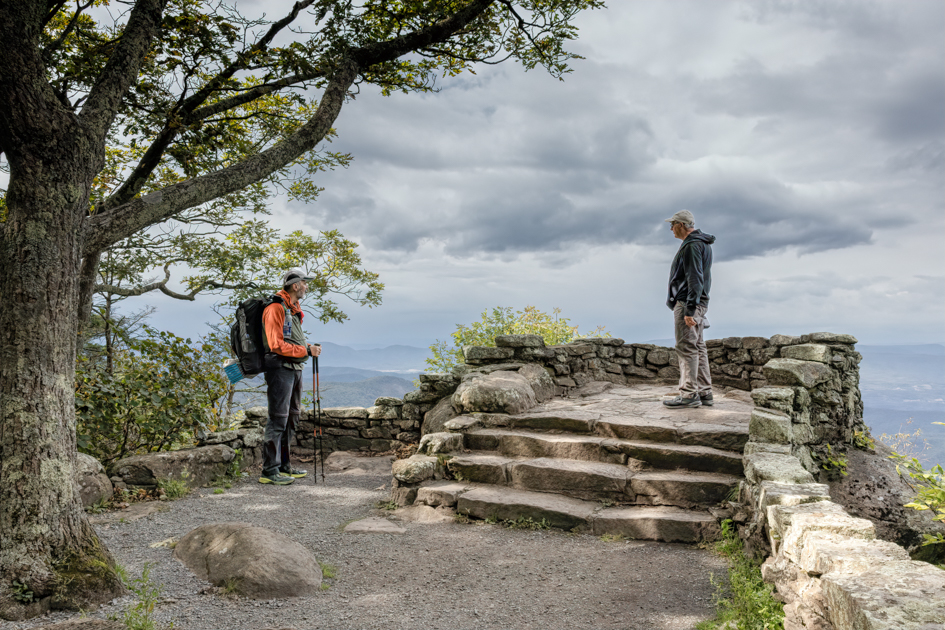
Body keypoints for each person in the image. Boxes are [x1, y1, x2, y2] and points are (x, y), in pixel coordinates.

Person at [259, 269, 323, 485]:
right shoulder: (275, 308)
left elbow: (292, 341)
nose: (307, 287)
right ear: (295, 285)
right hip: (280, 370)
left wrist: (307, 347)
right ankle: (270, 470)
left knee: (292, 417)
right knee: (278, 418)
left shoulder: (292, 310)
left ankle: (284, 466)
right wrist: (306, 352)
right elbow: (276, 345)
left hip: (294, 369)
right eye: (304, 283)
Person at [663, 210, 716, 409]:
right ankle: (704, 392)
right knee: (698, 347)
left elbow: (695, 277)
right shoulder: (702, 244)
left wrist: (689, 309)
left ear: (682, 225)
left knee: (686, 347)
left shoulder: (692, 245)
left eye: (673, 224)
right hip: (699, 302)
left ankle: (688, 394)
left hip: (688, 303)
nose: (671, 228)